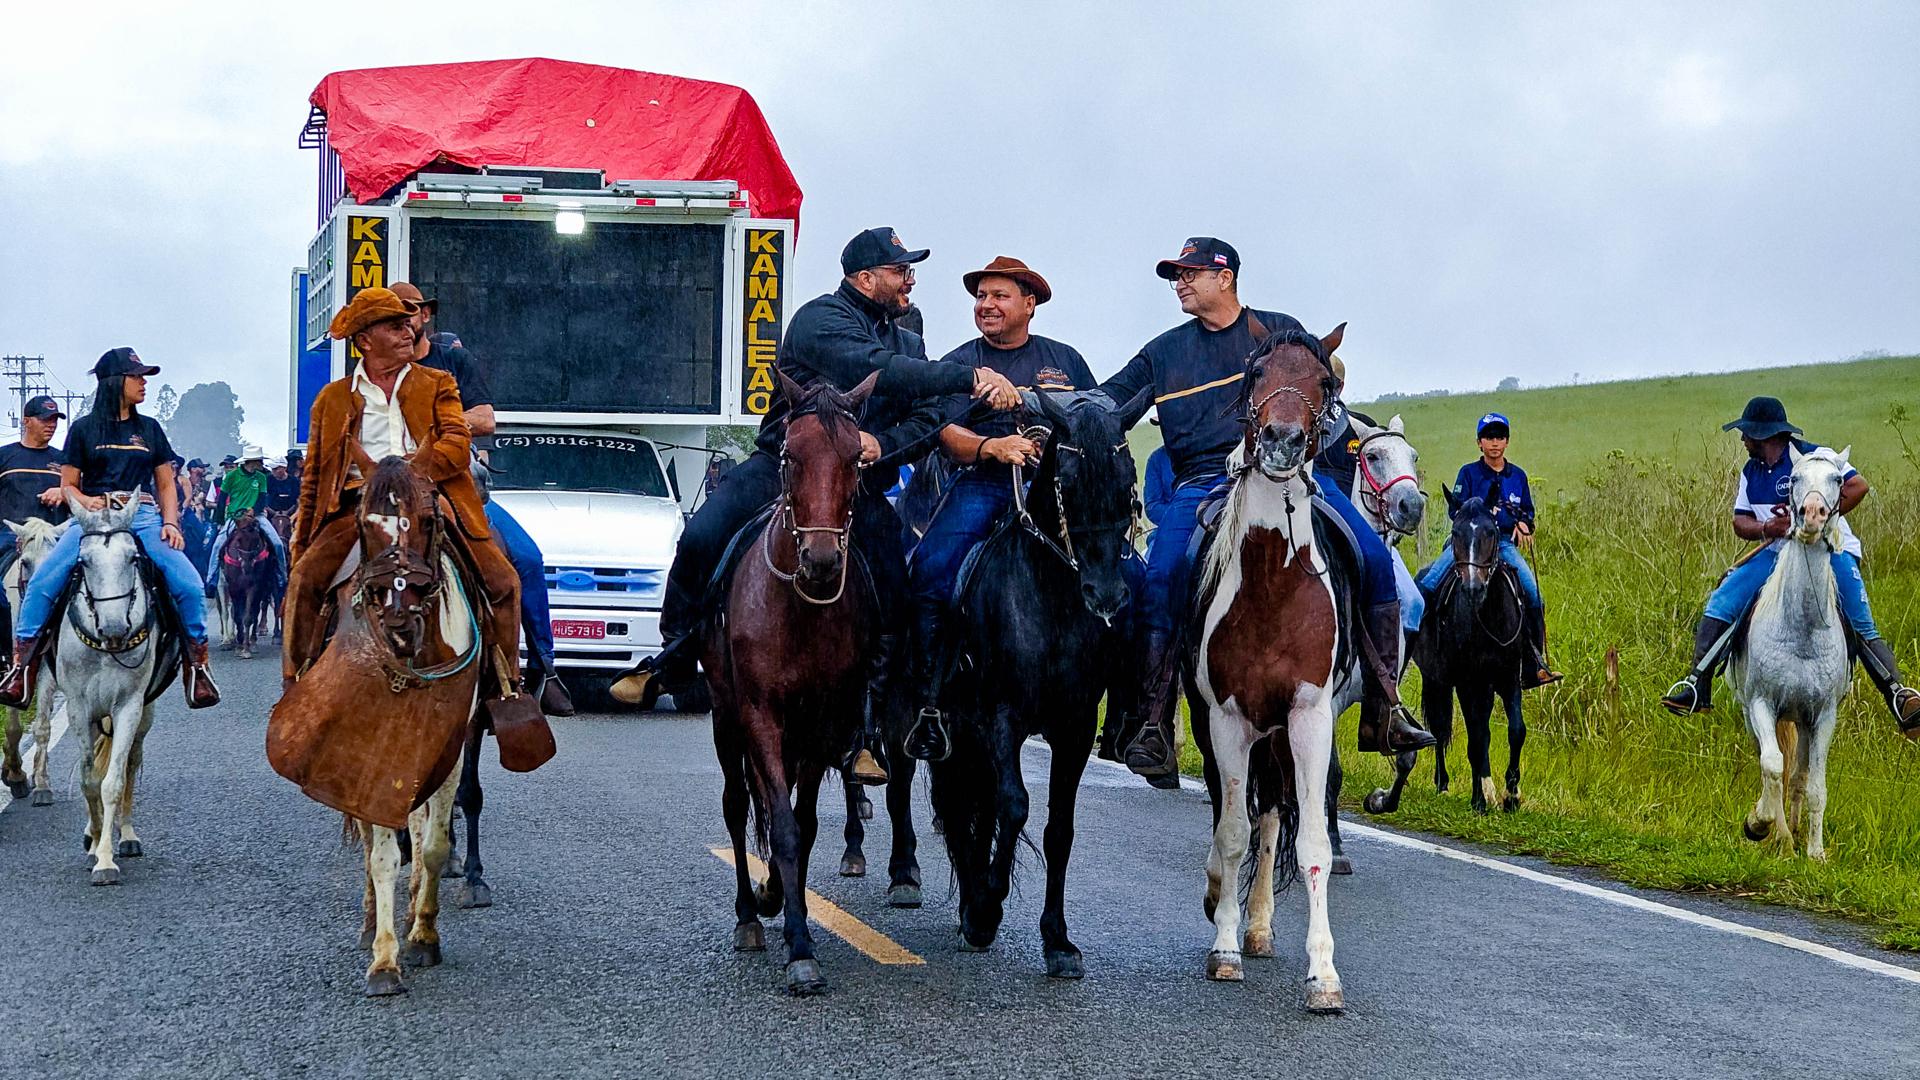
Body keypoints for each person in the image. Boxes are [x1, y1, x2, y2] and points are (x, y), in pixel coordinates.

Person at [609, 227, 1020, 784]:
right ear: (865, 278)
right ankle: (673, 654)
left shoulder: (909, 340)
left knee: (896, 594)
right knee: (701, 535)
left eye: (911, 271)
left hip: (858, 484)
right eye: (901, 271)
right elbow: (879, 370)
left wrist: (883, 445)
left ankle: (869, 728)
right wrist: (970, 376)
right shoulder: (819, 320)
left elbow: (929, 415)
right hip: (784, 469)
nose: (910, 280)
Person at [1097, 237, 1433, 781]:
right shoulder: (1162, 353)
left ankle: (1385, 707)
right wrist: (1054, 402)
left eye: (1189, 273)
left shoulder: (1281, 333)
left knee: (1373, 560)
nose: (1180, 283)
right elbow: (1109, 402)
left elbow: (1326, 407)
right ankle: (1154, 720)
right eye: (1176, 276)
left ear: (1225, 277)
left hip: (1292, 475)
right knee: (1161, 577)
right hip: (1202, 483)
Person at [282, 287, 543, 731]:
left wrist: (410, 472)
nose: (409, 332)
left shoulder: (438, 383)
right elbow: (314, 479)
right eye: (395, 326)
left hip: (428, 496)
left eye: (408, 325)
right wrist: (302, 541)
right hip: (358, 503)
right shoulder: (331, 399)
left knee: (504, 582)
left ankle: (505, 689)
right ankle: (297, 686)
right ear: (365, 340)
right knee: (305, 579)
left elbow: (456, 444)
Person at [900, 257, 1097, 761]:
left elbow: (1092, 425)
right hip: (984, 483)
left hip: (1058, 492)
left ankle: (1130, 710)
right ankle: (929, 702)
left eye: (999, 296)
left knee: (1126, 572)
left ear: (1029, 305)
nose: (986, 305)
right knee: (930, 569)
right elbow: (943, 434)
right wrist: (993, 447)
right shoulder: (958, 363)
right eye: (980, 297)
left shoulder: (1066, 362)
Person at [1661, 396, 1920, 735]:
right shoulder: (1751, 472)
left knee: (1859, 620)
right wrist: (1768, 528)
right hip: (1775, 554)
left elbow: (1859, 486)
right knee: (1723, 600)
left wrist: (1822, 520)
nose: (1743, 439)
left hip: (1828, 550)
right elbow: (1740, 521)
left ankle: (1898, 696)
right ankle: (1697, 684)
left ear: (1764, 434)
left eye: (1747, 433)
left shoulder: (1816, 458)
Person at [390, 281, 572, 716]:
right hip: (389, 488)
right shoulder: (375, 368)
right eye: (391, 317)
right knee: (321, 557)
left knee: (524, 561)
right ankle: (309, 664)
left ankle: (537, 671)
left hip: (453, 485)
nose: (402, 323)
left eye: (409, 312)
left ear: (425, 316)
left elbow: (485, 419)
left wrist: (435, 424)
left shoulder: (453, 361)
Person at [0, 349, 219, 709]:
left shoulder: (150, 429)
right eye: (137, 376)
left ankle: (197, 668)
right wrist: (86, 502)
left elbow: (165, 484)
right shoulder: (83, 429)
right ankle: (22, 668)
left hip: (142, 516)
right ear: (115, 382)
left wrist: (170, 522)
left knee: (189, 584)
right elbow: (69, 486)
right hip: (90, 518)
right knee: (42, 582)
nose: (144, 382)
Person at [1415, 413, 1561, 687]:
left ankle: (1534, 663)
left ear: (1507, 442)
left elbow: (1527, 511)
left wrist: (1525, 524)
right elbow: (1455, 510)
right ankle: (1421, 645)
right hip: (1468, 543)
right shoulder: (1468, 473)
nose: (1494, 443)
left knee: (1533, 594)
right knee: (1428, 583)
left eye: (1499, 437)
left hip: (1502, 543)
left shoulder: (1518, 476)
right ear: (1479, 443)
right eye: (1488, 437)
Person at [1312, 357, 1424, 636]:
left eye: (1332, 384)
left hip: (1365, 529)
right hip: (1315, 527)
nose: (1328, 391)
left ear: (1341, 386)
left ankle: (1394, 662)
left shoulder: (1364, 426)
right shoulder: (1303, 425)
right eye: (1322, 384)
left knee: (1414, 603)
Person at [0, 395, 71, 593]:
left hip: (54, 537)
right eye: (45, 419)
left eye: (54, 419)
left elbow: (81, 497)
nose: (52, 425)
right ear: (26, 421)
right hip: (10, 536)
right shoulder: (4, 456)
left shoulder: (64, 460)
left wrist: (63, 492)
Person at [206, 447, 288, 597]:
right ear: (252, 461)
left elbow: (262, 498)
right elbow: (222, 499)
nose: (261, 464)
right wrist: (220, 520)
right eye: (259, 461)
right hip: (235, 516)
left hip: (257, 516)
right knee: (217, 545)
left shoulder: (261, 477)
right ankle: (211, 579)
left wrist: (254, 510)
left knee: (277, 543)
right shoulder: (232, 476)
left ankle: (282, 577)